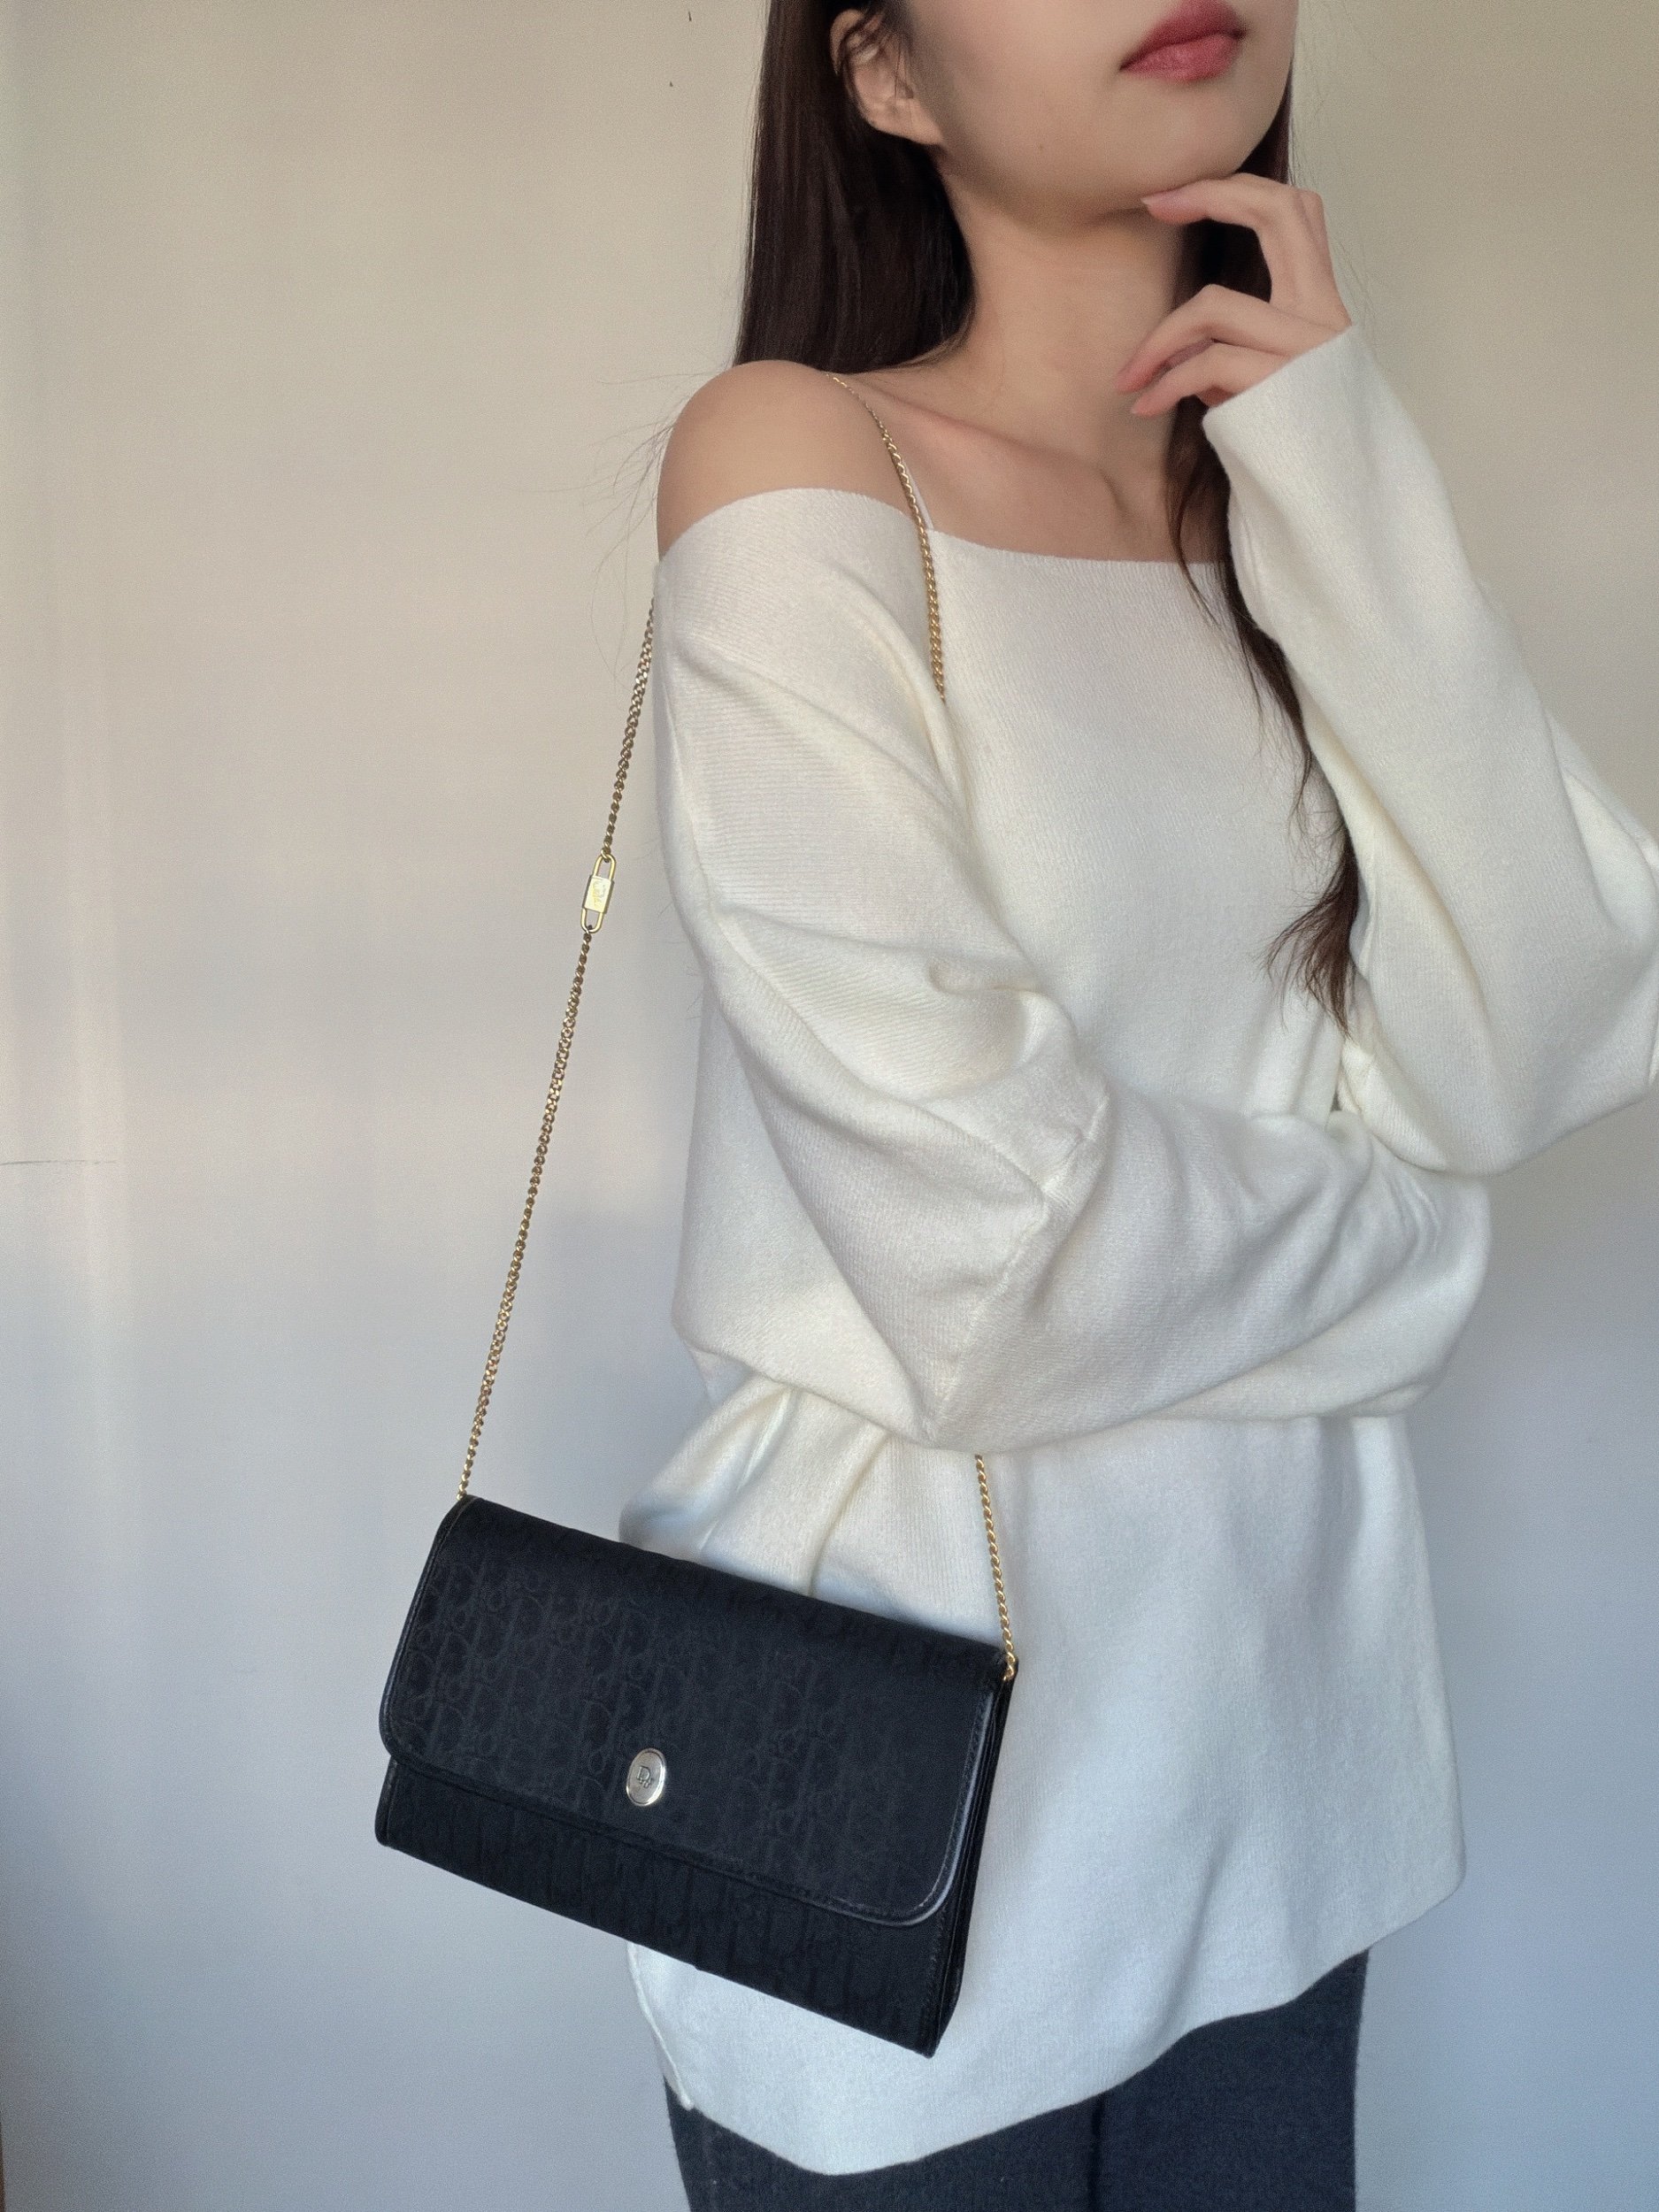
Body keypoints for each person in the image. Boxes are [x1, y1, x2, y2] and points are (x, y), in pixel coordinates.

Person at [614, 0, 1659, 2202]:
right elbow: (988, 1260)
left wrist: (1334, 459)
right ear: (884, 76)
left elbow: (1546, 1030)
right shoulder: (796, 458)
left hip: (1283, 1775)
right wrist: (1408, 1249)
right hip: (879, 1783)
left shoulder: (1286, 501)